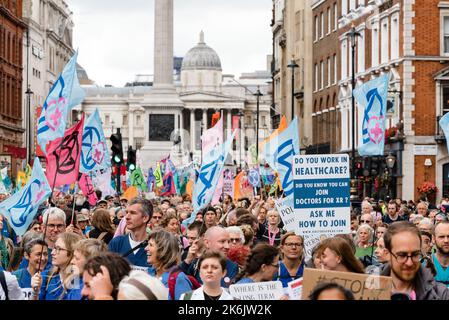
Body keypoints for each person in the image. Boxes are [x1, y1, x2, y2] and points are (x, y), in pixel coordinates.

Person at [380, 221, 449, 299]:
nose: (409, 263)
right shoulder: (369, 287)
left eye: (415, 254)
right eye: (402, 255)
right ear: (387, 254)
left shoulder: (440, 293)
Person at [31, 232, 82, 300]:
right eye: (54, 248)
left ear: (72, 253)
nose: (52, 253)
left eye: (58, 249)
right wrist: (35, 292)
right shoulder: (46, 276)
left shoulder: (80, 279)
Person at [145, 229, 194, 300]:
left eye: (151, 245)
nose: (146, 248)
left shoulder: (179, 279)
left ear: (163, 250)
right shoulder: (148, 273)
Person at [108, 197, 152, 269]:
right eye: (127, 212)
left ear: (145, 218)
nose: (127, 217)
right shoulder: (116, 243)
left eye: (133, 213)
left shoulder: (155, 246)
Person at [432, 221, 449, 287]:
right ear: (433, 239)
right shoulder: (423, 265)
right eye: (441, 237)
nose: (446, 240)